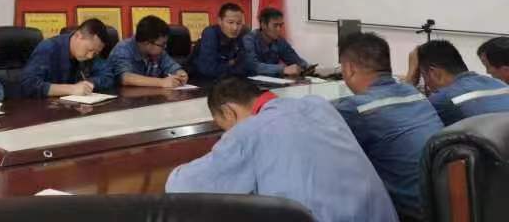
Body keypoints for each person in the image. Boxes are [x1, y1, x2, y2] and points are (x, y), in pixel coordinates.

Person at [166, 77, 398, 222]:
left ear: (229, 112)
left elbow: (181, 186)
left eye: (224, 127)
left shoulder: (250, 130)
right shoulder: (319, 106)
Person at [334, 33, 443, 221]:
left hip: (411, 213)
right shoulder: (414, 93)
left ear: (349, 69)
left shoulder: (354, 109)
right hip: (445, 203)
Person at [408, 39, 509, 126]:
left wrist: (410, 79)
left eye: (423, 75)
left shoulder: (441, 100)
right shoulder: (499, 84)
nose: (426, 83)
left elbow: (406, 123)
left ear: (434, 72)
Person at [20, 18, 114, 98]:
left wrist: (89, 84)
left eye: (95, 53)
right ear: (78, 36)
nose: (90, 56)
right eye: (89, 50)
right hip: (42, 108)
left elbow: (108, 76)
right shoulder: (48, 48)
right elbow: (29, 85)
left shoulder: (92, 53)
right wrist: (71, 89)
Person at [108, 16, 188, 88]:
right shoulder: (123, 49)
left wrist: (180, 74)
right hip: (124, 98)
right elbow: (126, 78)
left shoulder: (158, 51)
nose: (165, 47)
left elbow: (172, 67)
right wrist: (161, 82)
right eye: (162, 44)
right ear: (147, 43)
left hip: (151, 96)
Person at [190, 3, 252, 81]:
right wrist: (231, 64)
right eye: (230, 22)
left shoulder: (243, 34)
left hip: (229, 80)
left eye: (239, 23)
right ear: (220, 21)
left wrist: (229, 65)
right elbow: (208, 70)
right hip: (200, 80)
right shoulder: (210, 33)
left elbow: (248, 66)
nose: (235, 28)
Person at [243, 7, 307, 77]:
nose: (279, 29)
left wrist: (307, 67)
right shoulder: (249, 40)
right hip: (247, 81)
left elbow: (296, 61)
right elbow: (253, 66)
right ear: (263, 25)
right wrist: (283, 69)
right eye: (275, 25)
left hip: (271, 81)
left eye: (281, 25)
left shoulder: (280, 40)